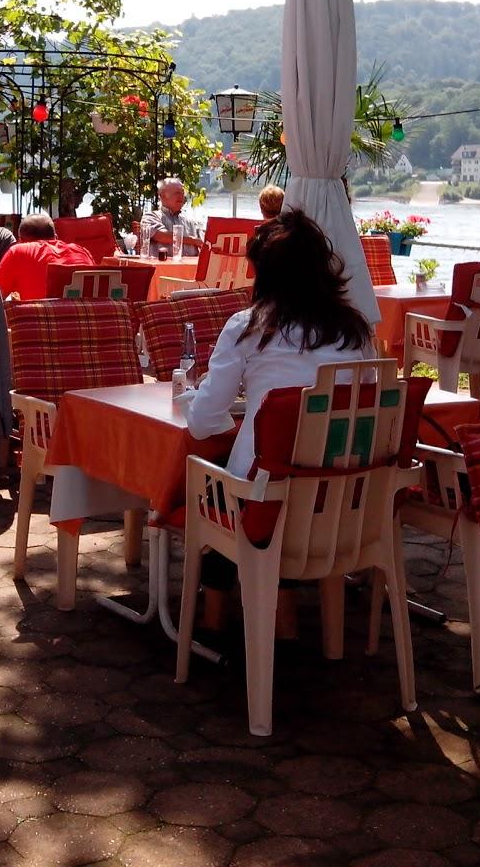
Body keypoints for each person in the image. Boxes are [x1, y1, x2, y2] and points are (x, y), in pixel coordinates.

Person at [184, 210, 374, 638]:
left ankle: (214, 616)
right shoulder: (355, 330)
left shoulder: (249, 327)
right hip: (346, 502)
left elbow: (201, 423)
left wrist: (210, 403)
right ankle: (284, 615)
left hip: (268, 502)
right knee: (286, 476)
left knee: (218, 481)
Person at [0, 212, 94, 301]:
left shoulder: (19, 251)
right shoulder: (81, 251)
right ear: (56, 237)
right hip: (83, 324)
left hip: (42, 326)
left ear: (21, 240)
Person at [139, 177, 206, 257]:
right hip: (163, 267)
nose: (181, 196)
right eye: (177, 193)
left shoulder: (190, 222)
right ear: (163, 196)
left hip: (191, 267)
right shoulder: (151, 217)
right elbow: (162, 237)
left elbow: (205, 243)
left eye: (182, 193)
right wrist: (192, 241)